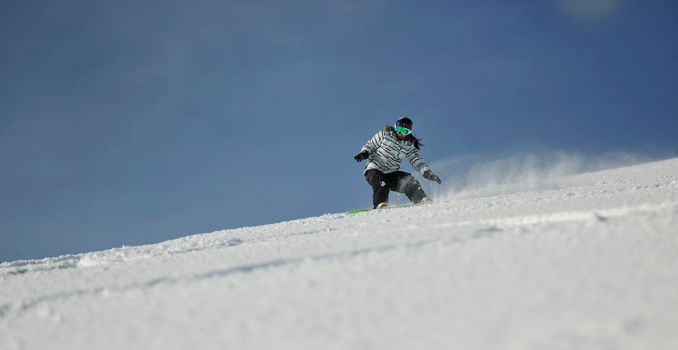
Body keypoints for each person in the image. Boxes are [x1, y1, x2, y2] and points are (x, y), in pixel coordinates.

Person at [354, 116, 442, 209]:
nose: (400, 132)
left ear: (408, 133)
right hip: (374, 170)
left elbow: (416, 160)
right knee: (381, 183)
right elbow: (371, 145)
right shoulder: (384, 134)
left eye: (404, 131)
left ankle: (421, 199)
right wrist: (364, 153)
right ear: (395, 127)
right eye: (398, 128)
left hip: (391, 173)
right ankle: (381, 204)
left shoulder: (408, 145)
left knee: (408, 180)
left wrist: (426, 172)